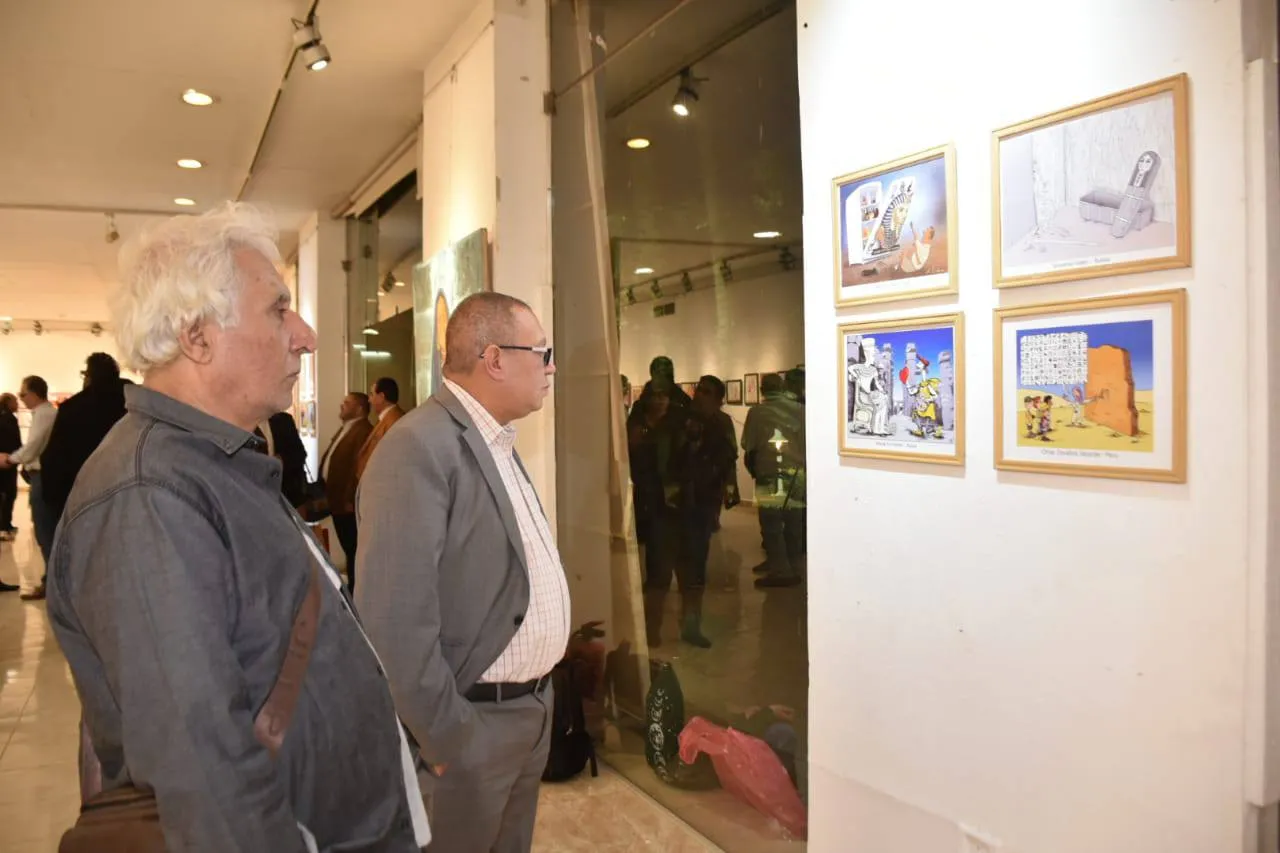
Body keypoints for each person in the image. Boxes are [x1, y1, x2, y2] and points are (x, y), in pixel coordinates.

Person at [46, 202, 429, 851]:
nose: (305, 334)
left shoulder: (212, 463)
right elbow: (203, 775)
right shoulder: (149, 495)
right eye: (279, 309)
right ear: (197, 336)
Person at [357, 291, 569, 853]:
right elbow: (393, 624)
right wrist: (447, 737)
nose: (551, 368)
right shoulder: (417, 447)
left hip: (527, 714)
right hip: (473, 724)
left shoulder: (494, 440)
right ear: (494, 359)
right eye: (542, 353)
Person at [40, 353, 129, 521]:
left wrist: (53, 499)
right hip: (126, 492)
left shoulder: (74, 408)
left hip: (82, 494)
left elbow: (56, 457)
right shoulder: (132, 402)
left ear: (89, 376)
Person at [0, 375, 57, 599]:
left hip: (42, 477)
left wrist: (10, 459)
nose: (21, 399)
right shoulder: (43, 414)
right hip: (39, 476)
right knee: (44, 530)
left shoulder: (44, 414)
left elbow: (33, 446)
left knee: (45, 530)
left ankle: (51, 582)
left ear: (34, 393)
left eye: (23, 394)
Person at [320, 392, 373, 590]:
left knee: (353, 549)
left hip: (347, 503)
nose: (342, 405)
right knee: (349, 548)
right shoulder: (347, 428)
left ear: (359, 408)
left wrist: (350, 498)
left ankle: (356, 590)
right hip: (336, 500)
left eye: (347, 403)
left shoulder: (363, 431)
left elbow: (358, 468)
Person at [356, 376, 403, 480]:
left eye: (372, 394)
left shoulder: (394, 421)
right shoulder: (385, 418)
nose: (369, 400)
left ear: (381, 397)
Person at [0, 393, 20, 541]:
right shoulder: (9, 419)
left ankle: (6, 525)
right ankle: (4, 526)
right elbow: (14, 441)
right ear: (8, 402)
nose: (18, 404)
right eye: (15, 401)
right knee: (8, 495)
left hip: (6, 461)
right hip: (7, 462)